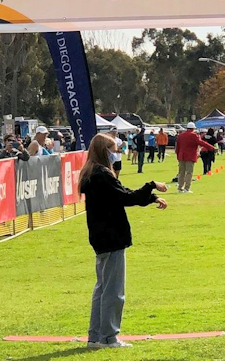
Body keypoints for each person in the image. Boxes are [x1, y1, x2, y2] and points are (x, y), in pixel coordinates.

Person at [80, 133, 168, 349]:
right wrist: (152, 186)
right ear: (104, 151)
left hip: (101, 237)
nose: (116, 153)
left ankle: (95, 336)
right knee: (113, 291)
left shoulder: (92, 174)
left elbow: (122, 193)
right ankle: (109, 337)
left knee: (102, 288)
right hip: (111, 237)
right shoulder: (101, 175)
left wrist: (151, 197)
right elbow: (126, 198)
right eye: (113, 149)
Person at [175, 122, 215, 193]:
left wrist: (178, 155)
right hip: (190, 156)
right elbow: (202, 143)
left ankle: (180, 188)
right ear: (193, 128)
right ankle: (186, 188)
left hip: (181, 156)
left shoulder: (181, 135)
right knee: (189, 172)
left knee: (181, 172)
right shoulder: (194, 135)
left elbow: (177, 147)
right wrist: (212, 148)